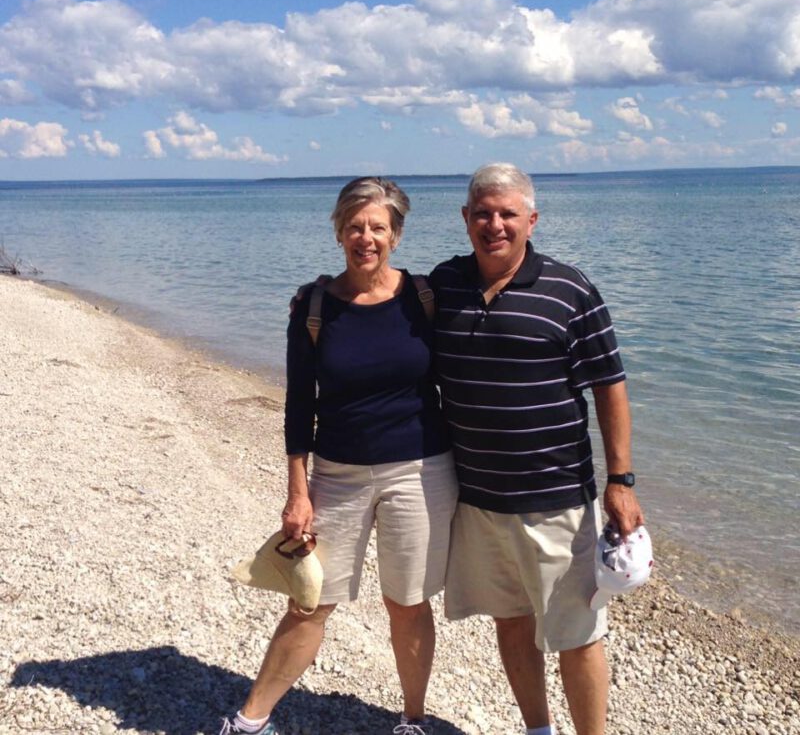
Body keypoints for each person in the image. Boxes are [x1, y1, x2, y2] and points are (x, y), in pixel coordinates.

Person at [219, 177, 457, 735]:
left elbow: (476, 355)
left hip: (421, 471)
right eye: (354, 226)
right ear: (338, 232)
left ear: (396, 234)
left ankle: (413, 720)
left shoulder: (425, 298)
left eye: (378, 226)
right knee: (310, 602)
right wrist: (296, 492)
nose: (365, 237)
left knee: (408, 603)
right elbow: (300, 404)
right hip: (337, 474)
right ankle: (250, 721)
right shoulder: (314, 305)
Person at [429, 163, 644, 735]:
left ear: (531, 220)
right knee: (510, 621)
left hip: (556, 500)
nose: (494, 224)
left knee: (577, 634)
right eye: (482, 212)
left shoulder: (569, 288)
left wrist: (621, 482)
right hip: (475, 499)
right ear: (465, 219)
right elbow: (382, 318)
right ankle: (537, 729)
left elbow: (610, 384)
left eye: (506, 213)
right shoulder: (444, 285)